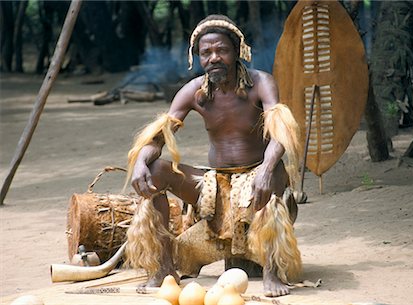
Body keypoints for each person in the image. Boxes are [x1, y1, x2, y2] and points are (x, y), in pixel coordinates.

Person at [125, 15, 302, 297]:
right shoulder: (193, 91)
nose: (214, 58)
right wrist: (140, 163)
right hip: (213, 186)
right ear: (197, 57)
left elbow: (280, 132)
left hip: (257, 179)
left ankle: (272, 270)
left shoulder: (261, 83)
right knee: (155, 170)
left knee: (277, 168)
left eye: (221, 50)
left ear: (237, 51)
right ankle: (163, 268)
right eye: (206, 53)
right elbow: (158, 138)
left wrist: (267, 168)